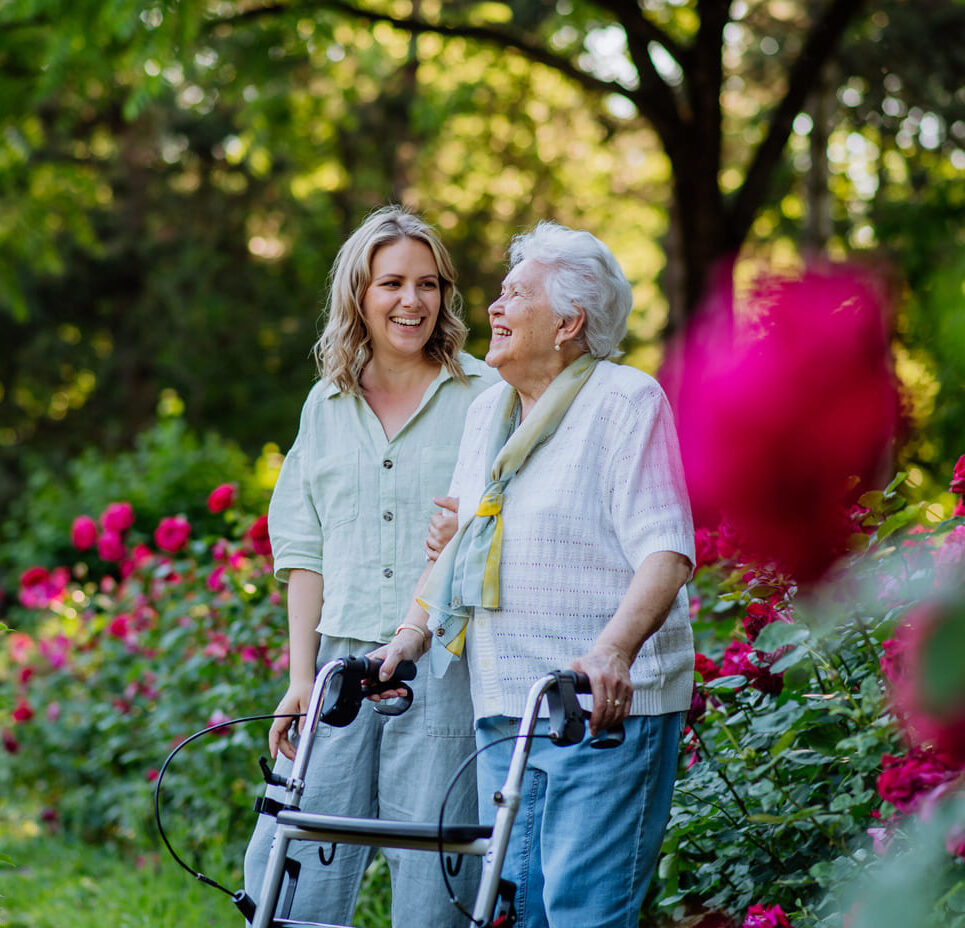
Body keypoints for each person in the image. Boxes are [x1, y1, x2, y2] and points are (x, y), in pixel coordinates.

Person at [375, 221, 695, 928]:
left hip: (599, 710)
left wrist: (612, 650)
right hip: (506, 708)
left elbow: (665, 549)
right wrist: (408, 635)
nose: (492, 308)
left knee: (581, 912)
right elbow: (459, 545)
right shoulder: (489, 410)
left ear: (568, 322)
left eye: (515, 294)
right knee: (512, 913)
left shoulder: (623, 401)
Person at [243, 206, 499, 927]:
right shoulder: (324, 405)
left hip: (444, 665)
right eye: (391, 283)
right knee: (295, 866)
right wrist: (301, 677)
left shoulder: (486, 397)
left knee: (436, 872)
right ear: (358, 293)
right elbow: (303, 552)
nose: (411, 301)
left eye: (428, 284)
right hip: (339, 667)